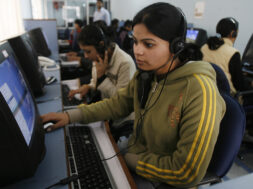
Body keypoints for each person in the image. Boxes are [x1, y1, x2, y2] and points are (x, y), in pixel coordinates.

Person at [41, 2, 226, 188]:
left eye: (148, 44)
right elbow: (117, 104)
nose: (137, 51)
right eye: (135, 41)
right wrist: (70, 116)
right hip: (133, 155)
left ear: (176, 46)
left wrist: (131, 160)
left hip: (163, 180)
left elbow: (187, 172)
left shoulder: (200, 92)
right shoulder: (147, 75)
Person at [201, 17, 253, 96]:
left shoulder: (204, 47)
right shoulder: (233, 53)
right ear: (233, 33)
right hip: (226, 98)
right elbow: (239, 85)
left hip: (205, 91)